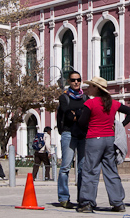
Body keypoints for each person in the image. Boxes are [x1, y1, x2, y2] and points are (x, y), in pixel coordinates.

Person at [74, 76, 130, 213]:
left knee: (90, 170)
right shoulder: (112, 103)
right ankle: (118, 202)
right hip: (109, 139)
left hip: (94, 139)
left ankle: (87, 203)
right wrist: (120, 126)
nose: (88, 88)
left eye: (90, 86)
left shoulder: (90, 103)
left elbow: (82, 123)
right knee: (111, 170)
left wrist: (79, 118)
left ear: (96, 88)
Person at [57, 70, 88, 208]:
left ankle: (82, 198)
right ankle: (63, 198)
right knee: (65, 166)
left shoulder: (86, 98)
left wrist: (77, 114)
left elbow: (87, 113)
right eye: (73, 80)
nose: (76, 82)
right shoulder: (64, 97)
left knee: (82, 167)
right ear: (68, 82)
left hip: (83, 134)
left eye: (78, 80)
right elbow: (68, 114)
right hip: (68, 133)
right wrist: (78, 114)